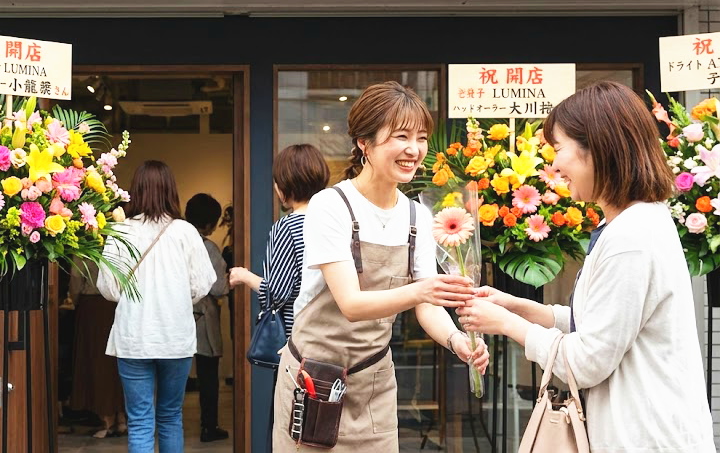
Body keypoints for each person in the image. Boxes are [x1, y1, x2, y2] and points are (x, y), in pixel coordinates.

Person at [458, 81, 715, 452]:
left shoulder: (631, 237)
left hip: (646, 437)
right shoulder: (632, 223)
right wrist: (519, 307)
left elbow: (588, 360)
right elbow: (604, 323)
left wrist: (508, 325)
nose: (554, 165)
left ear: (597, 148)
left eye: (559, 149)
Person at [271, 82, 489, 452]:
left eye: (421, 137)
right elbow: (351, 304)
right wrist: (423, 290)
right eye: (400, 136)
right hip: (314, 381)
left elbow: (427, 305)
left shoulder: (417, 215)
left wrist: (456, 341)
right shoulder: (330, 205)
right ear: (364, 143)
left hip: (374, 380)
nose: (414, 149)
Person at [98, 160, 218, 453]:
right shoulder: (185, 232)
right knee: (170, 416)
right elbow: (204, 283)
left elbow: (108, 288)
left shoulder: (121, 231)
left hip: (133, 338)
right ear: (170, 191)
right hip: (175, 338)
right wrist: (175, 297)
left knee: (139, 422)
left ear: (135, 191)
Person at [229, 143, 328, 452]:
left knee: (290, 429)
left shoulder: (287, 226)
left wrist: (244, 276)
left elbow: (278, 292)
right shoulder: (331, 223)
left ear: (282, 186)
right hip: (329, 340)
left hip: (295, 346)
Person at [184, 193, 230, 443]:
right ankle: (208, 426)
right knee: (208, 376)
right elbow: (219, 287)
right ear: (210, 224)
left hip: (178, 314)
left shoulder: (175, 241)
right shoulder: (208, 248)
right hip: (203, 316)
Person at [68, 262, 126, 438]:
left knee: (97, 361)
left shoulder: (86, 247)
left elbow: (76, 281)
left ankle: (107, 420)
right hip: (119, 306)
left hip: (93, 306)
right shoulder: (121, 242)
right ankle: (122, 419)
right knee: (118, 360)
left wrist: (76, 301)